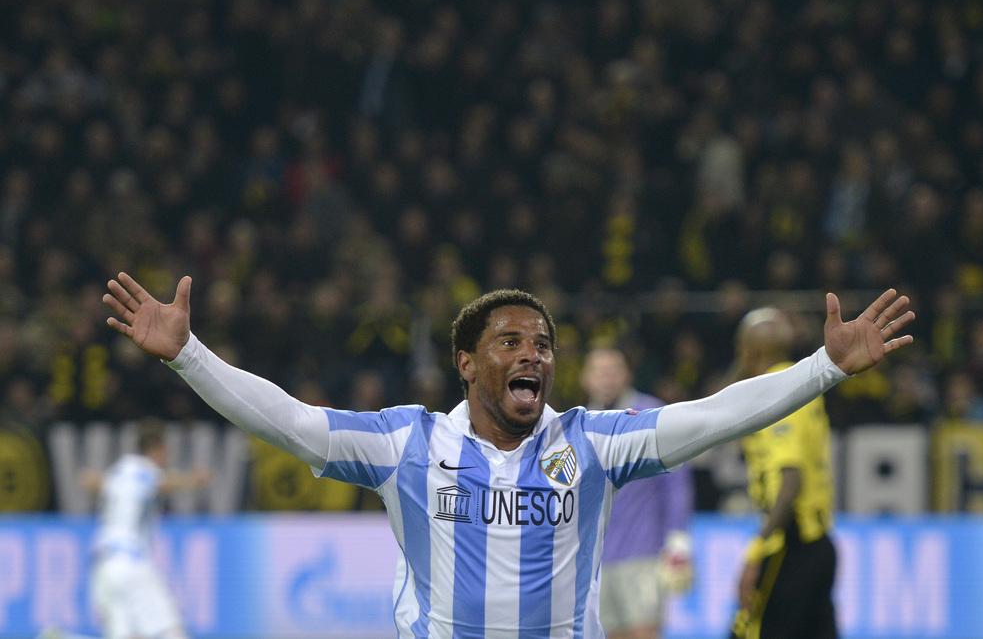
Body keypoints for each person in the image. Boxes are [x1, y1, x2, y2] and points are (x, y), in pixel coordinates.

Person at [101, 272, 914, 638]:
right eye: (511, 341)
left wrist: (823, 367)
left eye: (545, 343)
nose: (536, 354)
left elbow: (714, 416)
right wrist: (188, 356)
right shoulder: (405, 444)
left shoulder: (592, 445)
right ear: (467, 362)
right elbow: (289, 422)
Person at [728, 308, 839, 639]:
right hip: (818, 543)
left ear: (749, 350)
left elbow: (790, 481)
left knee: (748, 631)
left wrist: (756, 551)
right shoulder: (798, 381)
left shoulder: (778, 392)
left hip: (790, 544)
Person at [580, 348, 694, 639]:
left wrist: (677, 539)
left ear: (627, 374)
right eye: (599, 371)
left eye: (613, 370)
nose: (606, 379)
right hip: (596, 561)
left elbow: (677, 482)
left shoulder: (650, 414)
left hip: (643, 554)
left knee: (643, 632)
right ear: (585, 378)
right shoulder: (579, 424)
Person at [85, 419, 209, 639]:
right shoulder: (144, 470)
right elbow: (159, 483)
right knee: (171, 632)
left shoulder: (120, 470)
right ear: (158, 448)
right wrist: (192, 480)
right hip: (131, 563)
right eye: (166, 450)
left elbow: (95, 482)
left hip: (103, 567)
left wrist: (93, 480)